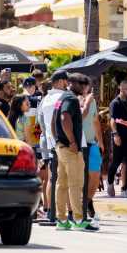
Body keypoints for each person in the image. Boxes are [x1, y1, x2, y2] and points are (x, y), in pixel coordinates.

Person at [53, 73, 93, 231]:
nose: (84, 88)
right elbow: (64, 118)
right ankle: (78, 220)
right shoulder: (71, 98)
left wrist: (58, 140)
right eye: (82, 84)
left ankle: (61, 220)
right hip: (69, 148)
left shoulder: (61, 98)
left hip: (60, 147)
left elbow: (53, 121)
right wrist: (72, 142)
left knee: (61, 184)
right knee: (75, 184)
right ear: (73, 83)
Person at [38, 71, 69, 225]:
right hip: (64, 144)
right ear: (60, 82)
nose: (67, 84)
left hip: (50, 143)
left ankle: (50, 212)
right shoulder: (64, 97)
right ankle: (67, 214)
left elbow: (41, 123)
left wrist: (49, 136)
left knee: (52, 179)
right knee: (65, 179)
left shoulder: (45, 99)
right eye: (66, 81)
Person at [107, 80, 127, 198]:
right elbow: (112, 120)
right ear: (121, 89)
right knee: (116, 161)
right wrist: (115, 134)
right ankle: (110, 181)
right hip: (120, 136)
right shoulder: (115, 103)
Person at [79, 79, 104, 228]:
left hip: (91, 143)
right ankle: (83, 207)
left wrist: (100, 141)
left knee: (95, 175)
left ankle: (87, 201)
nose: (88, 88)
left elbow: (95, 121)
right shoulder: (74, 100)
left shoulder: (92, 101)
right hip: (78, 144)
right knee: (81, 178)